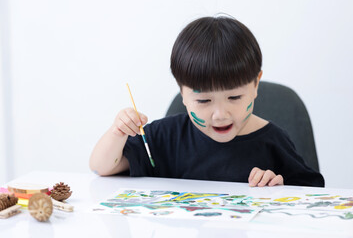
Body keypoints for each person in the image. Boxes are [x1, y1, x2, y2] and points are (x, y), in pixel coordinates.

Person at [89, 15, 325, 187]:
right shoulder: (166, 136)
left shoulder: (274, 141)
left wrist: (278, 185)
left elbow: (311, 194)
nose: (220, 113)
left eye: (234, 97)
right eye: (203, 100)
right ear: (182, 93)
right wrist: (118, 132)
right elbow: (101, 167)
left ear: (255, 85)